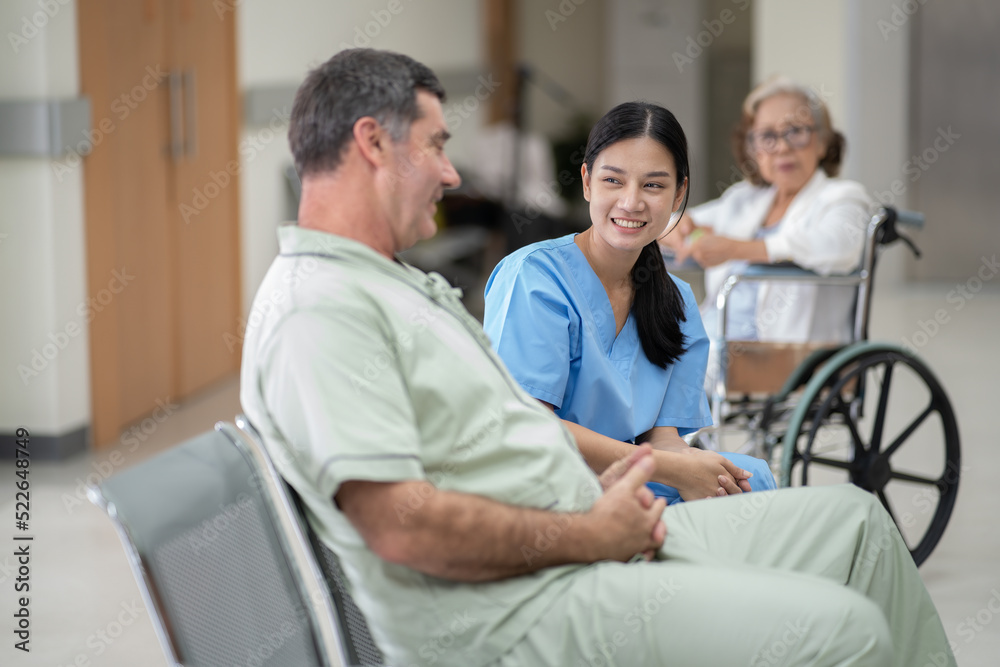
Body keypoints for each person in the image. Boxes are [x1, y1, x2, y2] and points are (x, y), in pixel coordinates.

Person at [239, 49, 956, 667]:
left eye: (654, 185)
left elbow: (520, 432)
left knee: (860, 523)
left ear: (680, 197)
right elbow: (400, 523)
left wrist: (630, 501)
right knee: (849, 628)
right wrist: (593, 531)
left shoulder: (386, 284)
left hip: (598, 525)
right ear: (372, 143)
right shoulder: (321, 310)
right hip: (539, 587)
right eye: (436, 144)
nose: (453, 173)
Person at [482, 101, 775, 503]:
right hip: (547, 480)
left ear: (679, 193)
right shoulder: (535, 277)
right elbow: (529, 424)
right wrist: (663, 468)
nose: (631, 202)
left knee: (749, 477)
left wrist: (693, 472)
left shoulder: (678, 302)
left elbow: (663, 440)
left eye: (653, 185)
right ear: (586, 182)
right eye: (613, 181)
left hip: (632, 477)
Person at [661, 76, 873, 349]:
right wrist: (680, 228)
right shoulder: (743, 200)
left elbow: (837, 248)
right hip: (713, 335)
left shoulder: (844, 198)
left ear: (822, 142)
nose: (782, 147)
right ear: (753, 150)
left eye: (796, 131)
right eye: (768, 137)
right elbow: (666, 223)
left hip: (780, 353)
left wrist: (735, 249)